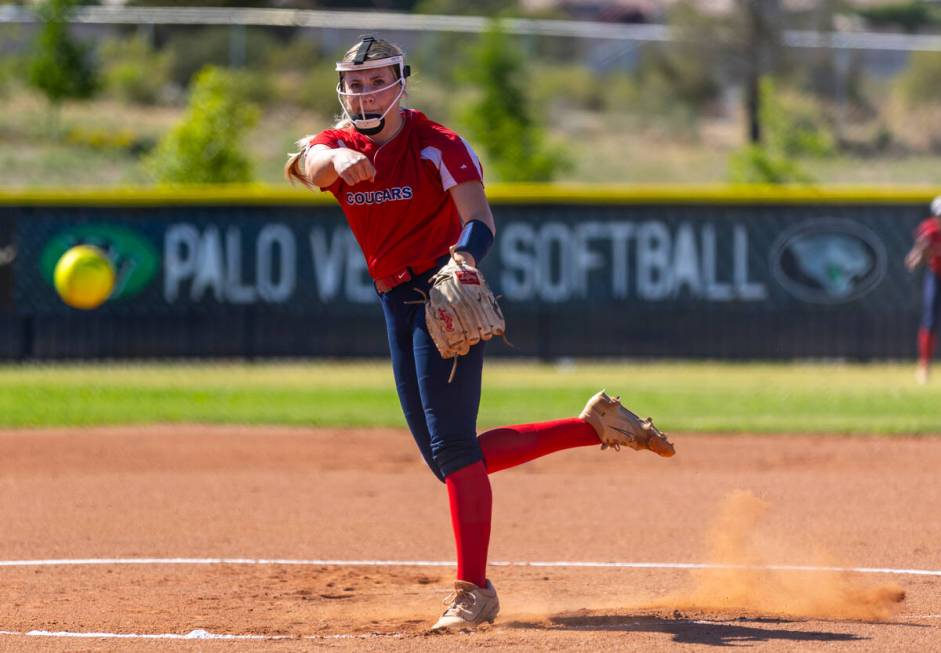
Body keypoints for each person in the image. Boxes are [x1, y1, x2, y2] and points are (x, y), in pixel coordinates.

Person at [285, 35, 675, 631]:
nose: (364, 93)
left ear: (401, 83)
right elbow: (309, 164)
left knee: (455, 450)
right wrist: (333, 161)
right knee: (448, 461)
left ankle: (475, 591)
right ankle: (591, 426)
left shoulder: (437, 144)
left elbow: (479, 219)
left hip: (443, 294)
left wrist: (464, 258)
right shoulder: (337, 144)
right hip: (394, 301)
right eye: (354, 83)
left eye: (376, 80)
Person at [905, 196, 941, 384]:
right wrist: (917, 254)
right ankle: (924, 366)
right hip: (936, 275)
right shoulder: (930, 229)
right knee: (929, 320)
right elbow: (921, 248)